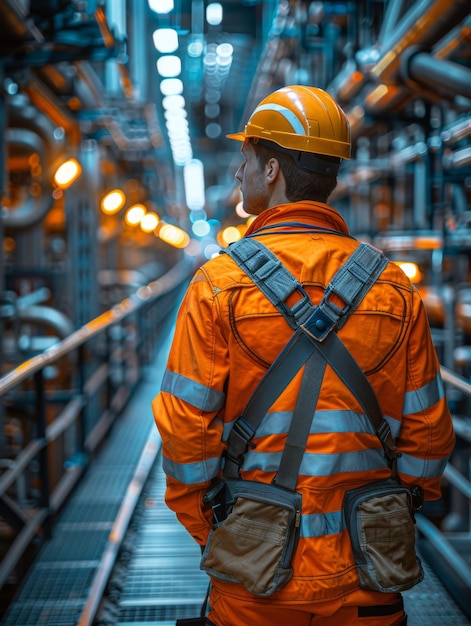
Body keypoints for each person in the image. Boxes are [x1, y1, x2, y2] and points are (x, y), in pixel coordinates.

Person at [152, 85, 455, 626]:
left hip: (256, 591)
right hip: (368, 582)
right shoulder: (392, 287)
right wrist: (386, 521)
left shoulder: (218, 286)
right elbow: (428, 439)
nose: (239, 173)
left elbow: (185, 440)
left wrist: (224, 534)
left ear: (271, 170)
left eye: (245, 159)